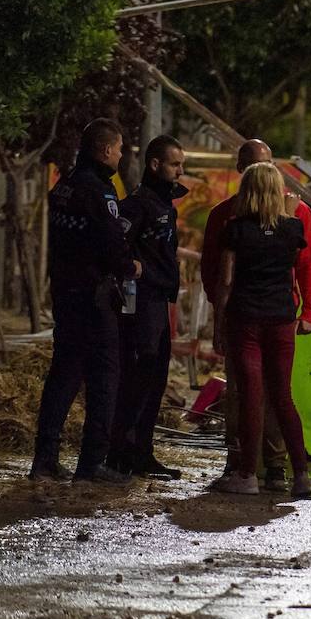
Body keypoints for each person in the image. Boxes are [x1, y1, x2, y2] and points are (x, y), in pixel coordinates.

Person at [202, 140, 311, 492]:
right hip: (280, 317)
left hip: (247, 319)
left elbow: (222, 278)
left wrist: (220, 321)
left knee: (253, 393)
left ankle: (256, 471)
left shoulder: (236, 226)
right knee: (269, 394)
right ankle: (292, 472)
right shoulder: (292, 223)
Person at [30, 119, 141, 483]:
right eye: (120, 149)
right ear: (107, 150)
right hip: (94, 298)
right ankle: (92, 462)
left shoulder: (64, 185)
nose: (121, 156)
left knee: (63, 375)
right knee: (104, 377)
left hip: (65, 293)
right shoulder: (100, 192)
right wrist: (131, 267)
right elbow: (111, 244)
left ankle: (44, 459)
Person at [108, 135, 189, 480]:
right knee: (138, 379)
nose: (180, 171)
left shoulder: (163, 205)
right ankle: (124, 451)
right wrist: (134, 269)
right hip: (141, 305)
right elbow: (117, 245)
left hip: (159, 302)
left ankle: (141, 450)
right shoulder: (138, 205)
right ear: (156, 164)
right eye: (175, 164)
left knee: (154, 381)